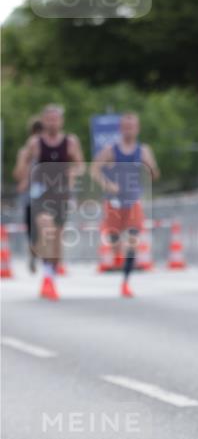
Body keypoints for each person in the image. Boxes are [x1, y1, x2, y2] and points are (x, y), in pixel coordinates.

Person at [15, 104, 85, 300]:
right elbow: (23, 164)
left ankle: (50, 276)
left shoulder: (70, 142)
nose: (53, 122)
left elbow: (80, 165)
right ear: (44, 121)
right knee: (46, 232)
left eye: (56, 119)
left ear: (61, 121)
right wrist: (24, 175)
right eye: (49, 119)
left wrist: (72, 173)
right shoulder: (35, 143)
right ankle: (47, 279)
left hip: (61, 194)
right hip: (41, 195)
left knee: (56, 241)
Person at [91, 112, 160, 297]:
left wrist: (151, 167)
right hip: (113, 202)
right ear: (121, 128)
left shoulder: (143, 150)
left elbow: (155, 174)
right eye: (126, 126)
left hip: (133, 201)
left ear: (137, 129)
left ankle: (126, 282)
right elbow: (94, 169)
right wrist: (108, 184)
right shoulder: (111, 150)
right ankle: (118, 258)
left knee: (132, 239)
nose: (129, 130)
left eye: (132, 126)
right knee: (114, 240)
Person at [12, 117, 42, 273]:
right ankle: (34, 253)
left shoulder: (48, 149)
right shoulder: (24, 151)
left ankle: (41, 254)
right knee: (32, 230)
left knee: (45, 226)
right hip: (30, 196)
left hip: (46, 195)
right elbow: (17, 174)